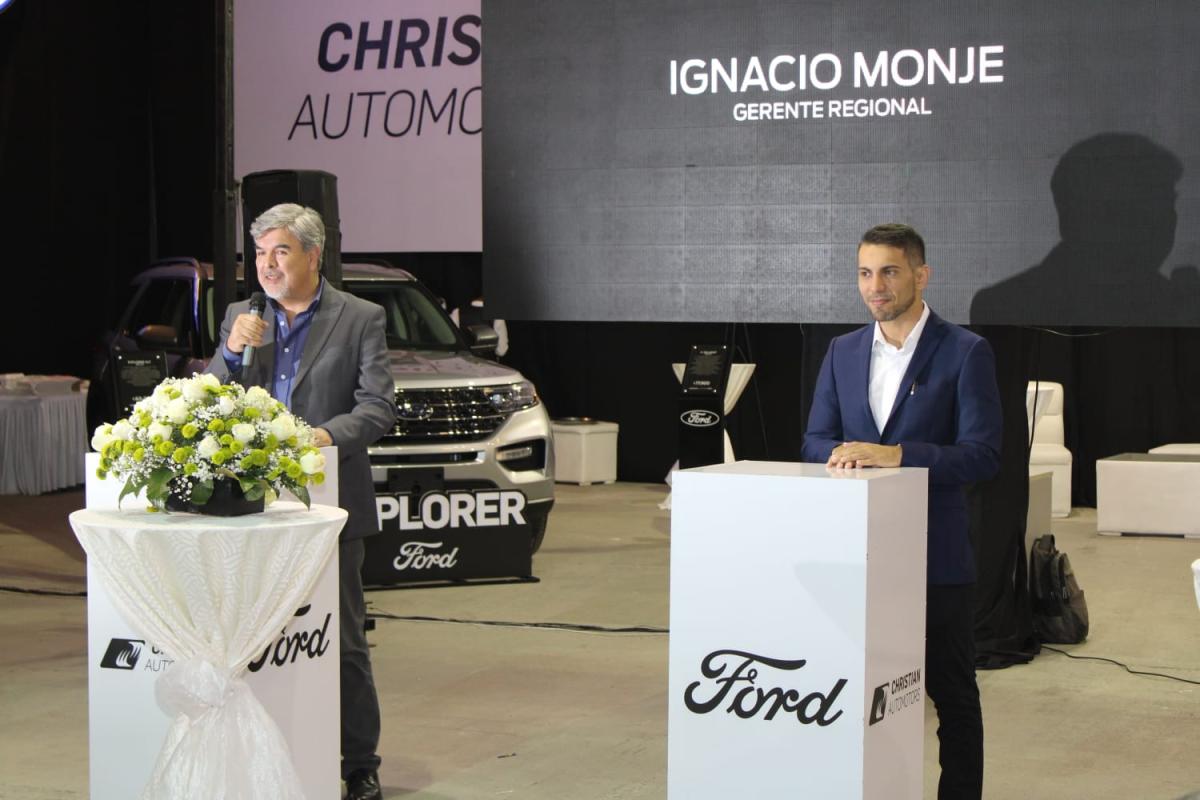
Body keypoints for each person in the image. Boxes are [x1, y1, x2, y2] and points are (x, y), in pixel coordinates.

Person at [801, 223, 1002, 800]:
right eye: (865, 273)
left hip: (936, 560)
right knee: (860, 694)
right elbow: (814, 440)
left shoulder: (966, 351)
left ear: (921, 274)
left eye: (889, 271)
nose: (875, 286)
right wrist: (840, 453)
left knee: (953, 696)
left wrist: (898, 455)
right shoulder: (841, 351)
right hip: (855, 561)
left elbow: (983, 455)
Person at [208, 203, 396, 800]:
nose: (267, 265)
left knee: (342, 640)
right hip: (250, 510)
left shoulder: (359, 317)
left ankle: (359, 764)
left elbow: (378, 406)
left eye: (281, 252)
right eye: (260, 254)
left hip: (329, 505)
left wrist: (324, 437)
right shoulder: (241, 315)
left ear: (313, 256)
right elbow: (208, 399)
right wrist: (231, 353)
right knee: (254, 639)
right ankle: (267, 754)